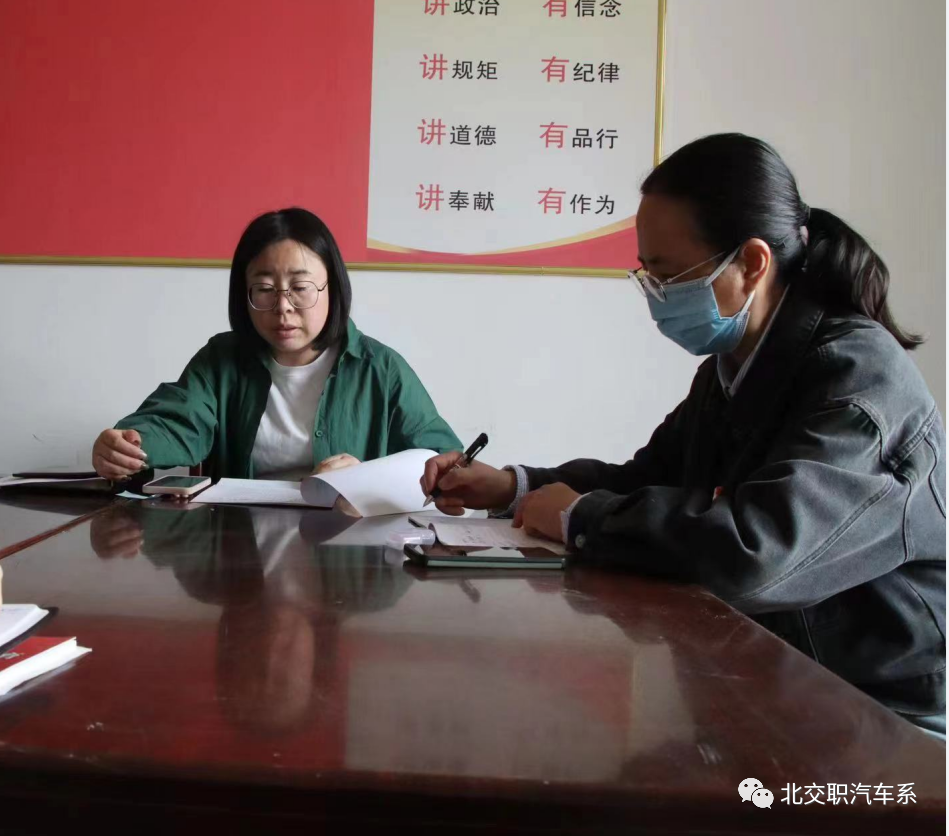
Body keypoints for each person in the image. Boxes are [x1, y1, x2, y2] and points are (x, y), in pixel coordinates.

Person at [422, 134, 946, 734]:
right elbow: (645, 480)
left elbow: (756, 554)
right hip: (764, 675)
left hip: (878, 710)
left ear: (752, 264)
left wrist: (579, 518)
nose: (657, 294)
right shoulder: (732, 367)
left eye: (669, 274)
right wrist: (515, 487)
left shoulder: (860, 381)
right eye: (647, 274)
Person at [92, 208, 460, 481]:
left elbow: (442, 461)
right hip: (239, 543)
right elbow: (178, 422)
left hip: (348, 545)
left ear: (332, 288)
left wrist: (368, 478)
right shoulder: (221, 360)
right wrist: (130, 444)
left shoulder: (380, 368)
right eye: (265, 289)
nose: (282, 306)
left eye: (300, 288)